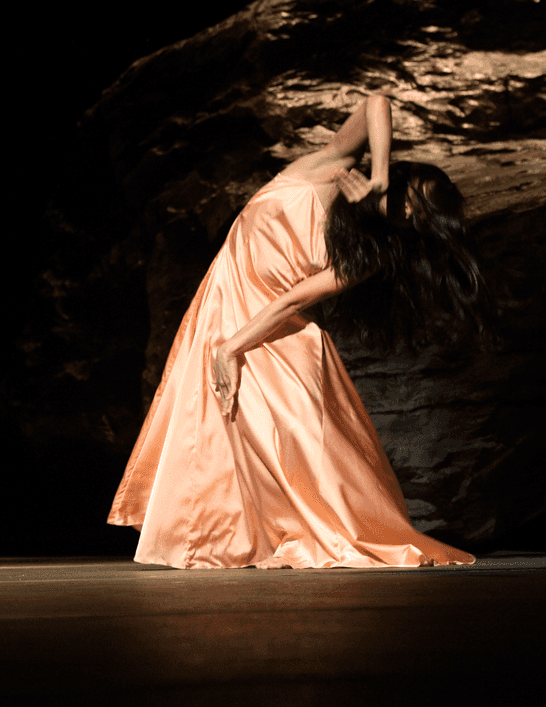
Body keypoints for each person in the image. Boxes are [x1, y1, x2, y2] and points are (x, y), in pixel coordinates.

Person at [107, 94, 483, 569]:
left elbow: (293, 301)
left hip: (269, 331)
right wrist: (382, 176)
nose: (408, 217)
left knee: (298, 443)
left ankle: (308, 532)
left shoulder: (372, 253)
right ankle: (236, 538)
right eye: (413, 203)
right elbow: (376, 103)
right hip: (228, 303)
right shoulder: (326, 168)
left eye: (419, 220)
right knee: (221, 430)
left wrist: (231, 348)